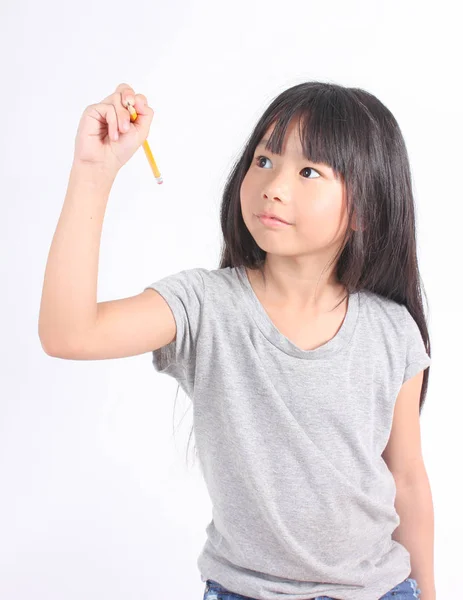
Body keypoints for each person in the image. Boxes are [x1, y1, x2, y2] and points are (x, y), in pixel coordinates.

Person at [38, 81, 433, 600]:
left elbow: (406, 481)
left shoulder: (392, 331)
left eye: (309, 171)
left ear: (364, 209)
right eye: (265, 160)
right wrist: (94, 173)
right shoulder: (206, 305)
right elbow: (69, 333)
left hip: (380, 590)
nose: (274, 184)